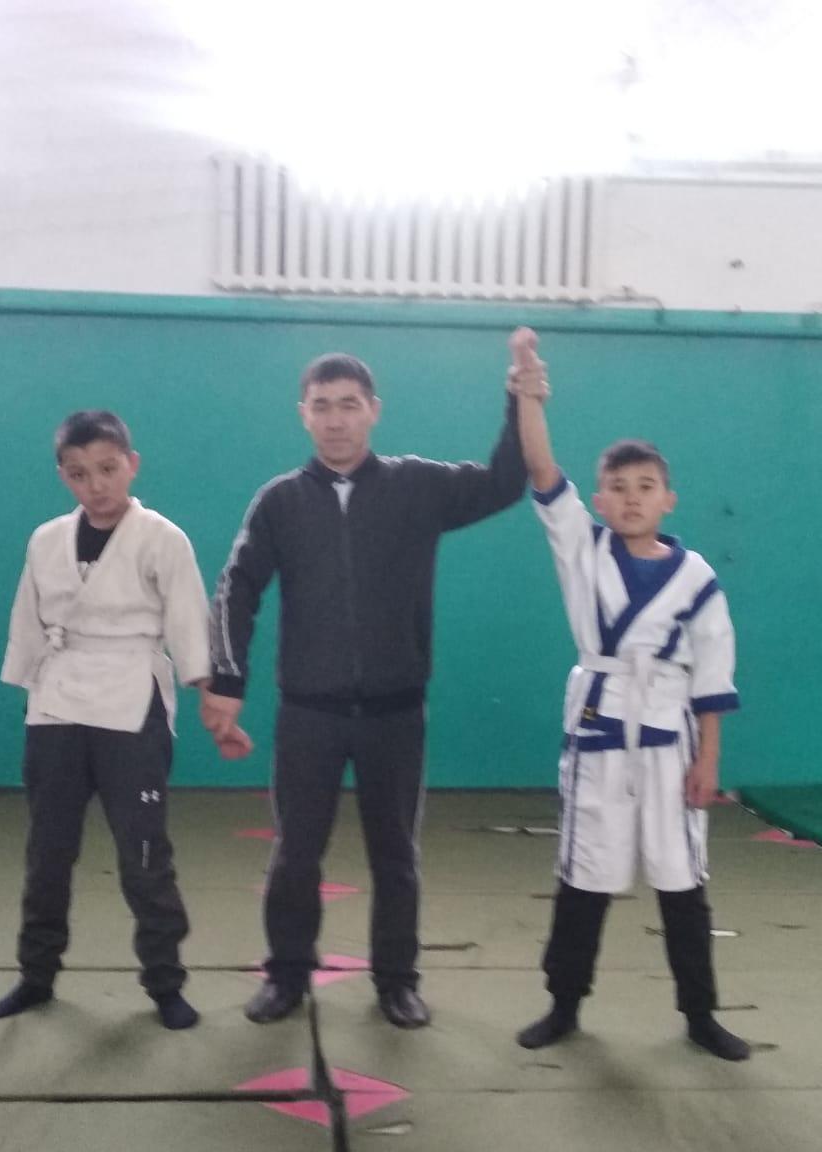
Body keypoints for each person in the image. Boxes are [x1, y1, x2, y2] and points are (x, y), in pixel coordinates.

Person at [203, 352, 527, 1029]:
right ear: (304, 415)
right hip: (308, 715)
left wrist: (518, 399)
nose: (336, 420)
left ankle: (397, 982)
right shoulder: (280, 502)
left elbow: (505, 481)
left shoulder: (418, 486)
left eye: (349, 405)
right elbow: (237, 588)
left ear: (373, 411)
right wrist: (227, 681)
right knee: (296, 855)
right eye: (322, 406)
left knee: (396, 856)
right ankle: (287, 975)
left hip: (395, 713)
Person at [509, 328, 750, 1061]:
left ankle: (700, 1014)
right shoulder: (582, 549)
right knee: (585, 873)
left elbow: (712, 674)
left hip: (670, 741)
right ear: (601, 499)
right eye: (617, 487)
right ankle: (563, 1003)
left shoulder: (697, 578)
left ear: (668, 499)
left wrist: (709, 760)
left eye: (646, 486)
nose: (632, 498)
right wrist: (528, 391)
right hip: (600, 733)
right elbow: (542, 468)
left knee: (682, 880)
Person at [0, 410, 219, 1030]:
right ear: (63, 476)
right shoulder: (45, 540)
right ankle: (36, 975)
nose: (96, 485)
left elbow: (188, 620)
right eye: (79, 473)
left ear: (131, 465)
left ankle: (165, 982)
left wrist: (209, 694)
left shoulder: (163, 538)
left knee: (143, 853)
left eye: (108, 469)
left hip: (131, 699)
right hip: (58, 701)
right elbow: (28, 619)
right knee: (47, 851)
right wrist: (32, 690)